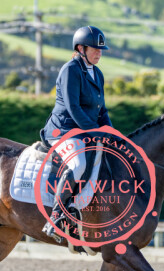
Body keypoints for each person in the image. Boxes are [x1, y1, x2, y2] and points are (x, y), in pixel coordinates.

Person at [40, 26, 112, 241]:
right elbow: (74, 108)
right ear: (81, 49)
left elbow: (101, 110)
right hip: (63, 130)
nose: (99, 53)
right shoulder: (70, 70)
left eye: (101, 50)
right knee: (78, 164)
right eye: (94, 49)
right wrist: (95, 132)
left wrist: (111, 132)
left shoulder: (97, 73)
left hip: (84, 131)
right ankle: (56, 215)